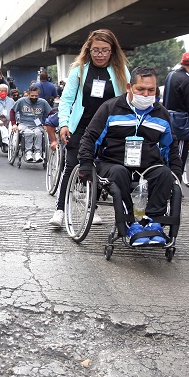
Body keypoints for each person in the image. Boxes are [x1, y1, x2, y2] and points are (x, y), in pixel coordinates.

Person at [78, 66, 182, 245]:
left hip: (148, 165)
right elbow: (90, 137)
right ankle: (130, 223)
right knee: (119, 173)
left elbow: (170, 146)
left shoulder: (161, 114)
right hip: (113, 162)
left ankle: (153, 224)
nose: (146, 94)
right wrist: (85, 163)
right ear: (129, 87)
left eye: (151, 90)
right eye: (140, 89)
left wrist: (175, 169)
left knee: (164, 174)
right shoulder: (111, 108)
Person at [50, 29, 130, 228]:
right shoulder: (79, 70)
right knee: (71, 166)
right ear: (89, 49)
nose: (100, 54)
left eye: (104, 50)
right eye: (95, 50)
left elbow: (128, 100)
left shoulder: (121, 71)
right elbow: (66, 100)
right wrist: (64, 124)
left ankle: (90, 208)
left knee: (97, 167)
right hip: (82, 126)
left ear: (112, 51)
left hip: (109, 128)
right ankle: (60, 210)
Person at [163, 52, 189, 169]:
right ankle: (174, 182)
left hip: (166, 118)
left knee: (166, 154)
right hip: (180, 123)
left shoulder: (171, 75)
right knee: (178, 158)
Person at [10, 85, 52, 162]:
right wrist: (14, 124)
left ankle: (38, 153)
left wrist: (47, 123)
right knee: (28, 132)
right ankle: (28, 152)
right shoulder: (21, 101)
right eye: (32, 95)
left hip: (37, 125)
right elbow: (12, 111)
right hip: (23, 124)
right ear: (28, 94)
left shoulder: (43, 102)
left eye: (36, 96)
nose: (34, 97)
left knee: (38, 133)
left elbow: (51, 113)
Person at [0, 83, 15, 152]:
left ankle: (13, 144)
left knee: (13, 128)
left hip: (9, 120)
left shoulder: (11, 101)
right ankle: (6, 144)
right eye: (1, 91)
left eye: (5, 91)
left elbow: (15, 111)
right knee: (1, 128)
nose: (3, 92)